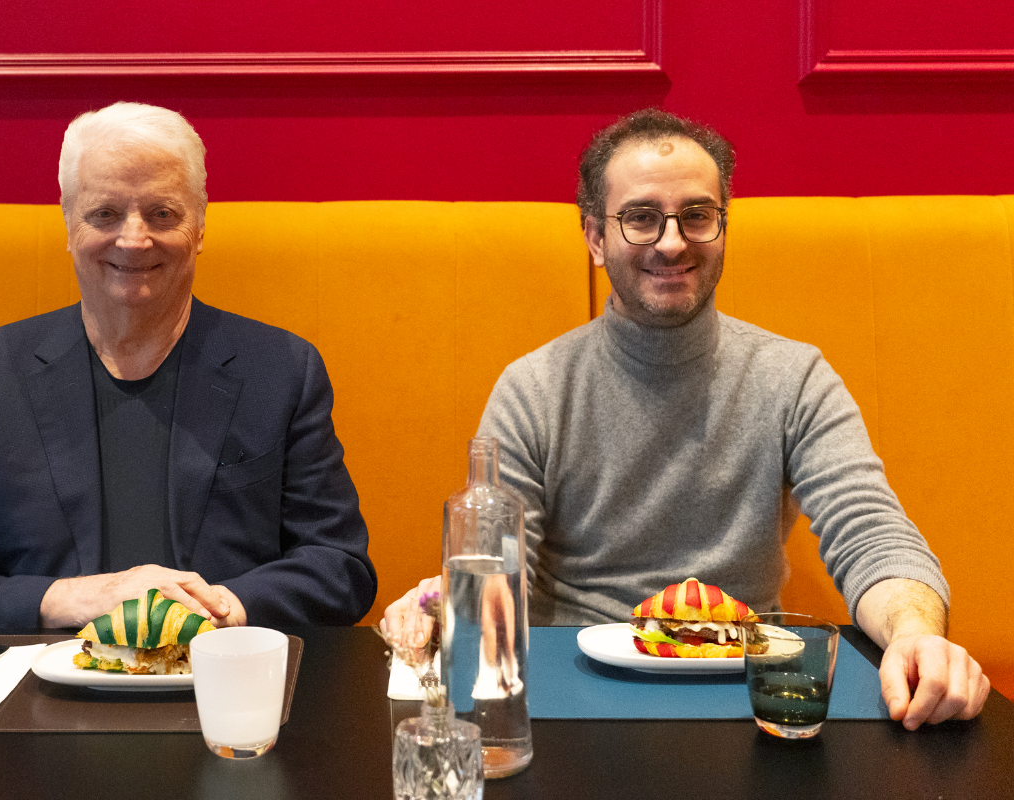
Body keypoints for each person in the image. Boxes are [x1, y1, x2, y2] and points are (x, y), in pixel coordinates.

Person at [383, 108, 989, 729]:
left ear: (723, 227)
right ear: (595, 238)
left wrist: (918, 635)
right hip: (574, 699)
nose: (672, 242)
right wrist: (442, 597)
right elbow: (496, 563)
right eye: (640, 218)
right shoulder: (533, 388)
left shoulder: (796, 377)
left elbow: (871, 534)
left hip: (752, 701)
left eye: (696, 215)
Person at [0, 102, 376, 631]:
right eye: (105, 214)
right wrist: (83, 597)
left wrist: (219, 607)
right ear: (70, 224)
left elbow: (340, 568)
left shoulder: (281, 370)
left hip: (224, 685)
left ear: (201, 227)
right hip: (39, 699)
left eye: (162, 214)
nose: (134, 239)